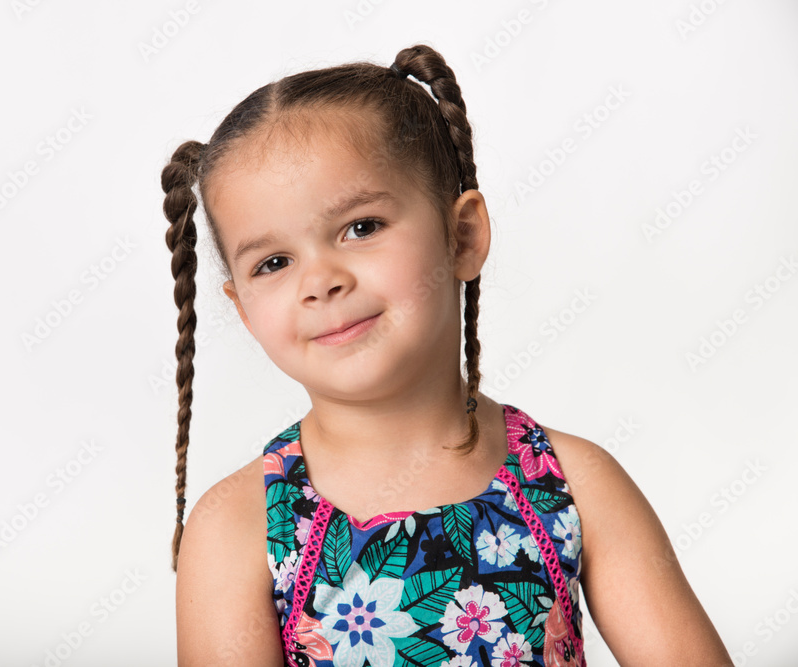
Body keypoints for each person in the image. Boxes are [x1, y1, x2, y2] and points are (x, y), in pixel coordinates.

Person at [162, 43, 732, 667]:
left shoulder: (576, 484)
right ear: (243, 309)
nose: (319, 281)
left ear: (463, 235)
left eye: (362, 227)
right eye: (273, 263)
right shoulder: (235, 529)